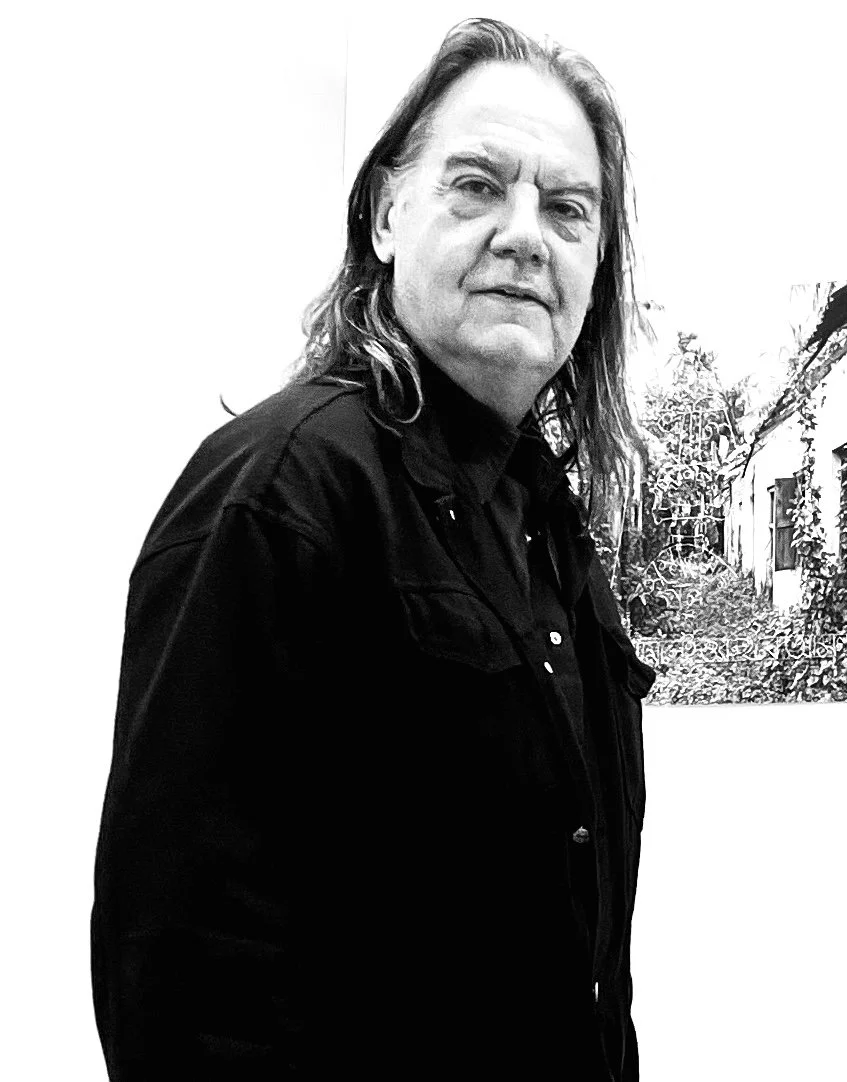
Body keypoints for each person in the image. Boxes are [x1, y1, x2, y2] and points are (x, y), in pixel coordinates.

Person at [91, 17, 655, 1080]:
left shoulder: (548, 527)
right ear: (388, 214)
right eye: (477, 185)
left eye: (568, 208)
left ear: (595, 261)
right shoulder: (279, 490)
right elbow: (182, 978)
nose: (526, 233)